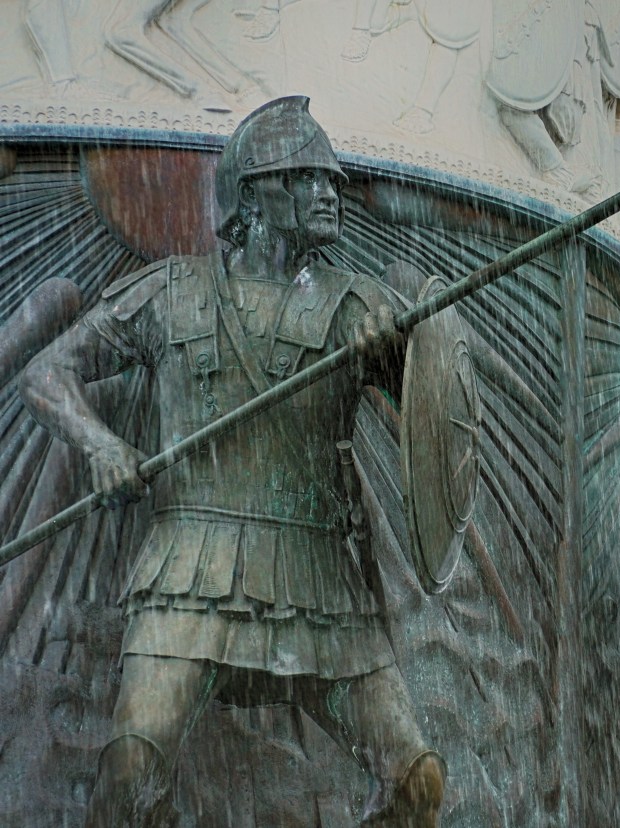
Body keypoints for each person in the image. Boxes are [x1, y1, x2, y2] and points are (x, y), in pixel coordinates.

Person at [20, 96, 444, 827]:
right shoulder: (170, 293)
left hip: (320, 580)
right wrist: (102, 445)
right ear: (253, 194)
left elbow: (438, 419)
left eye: (331, 180)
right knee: (130, 767)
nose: (328, 193)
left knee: (417, 782)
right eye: (306, 177)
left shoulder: (356, 307)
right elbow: (45, 374)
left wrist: (404, 357)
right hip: (191, 570)